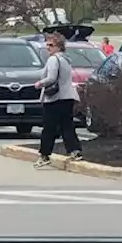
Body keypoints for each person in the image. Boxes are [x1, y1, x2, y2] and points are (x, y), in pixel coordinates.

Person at [34, 32, 83, 168]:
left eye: (51, 45)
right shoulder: (66, 60)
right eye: (47, 44)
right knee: (67, 125)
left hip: (55, 98)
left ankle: (44, 155)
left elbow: (51, 78)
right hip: (68, 97)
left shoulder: (53, 59)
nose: (48, 47)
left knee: (49, 127)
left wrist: (39, 84)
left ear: (59, 46)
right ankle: (75, 151)